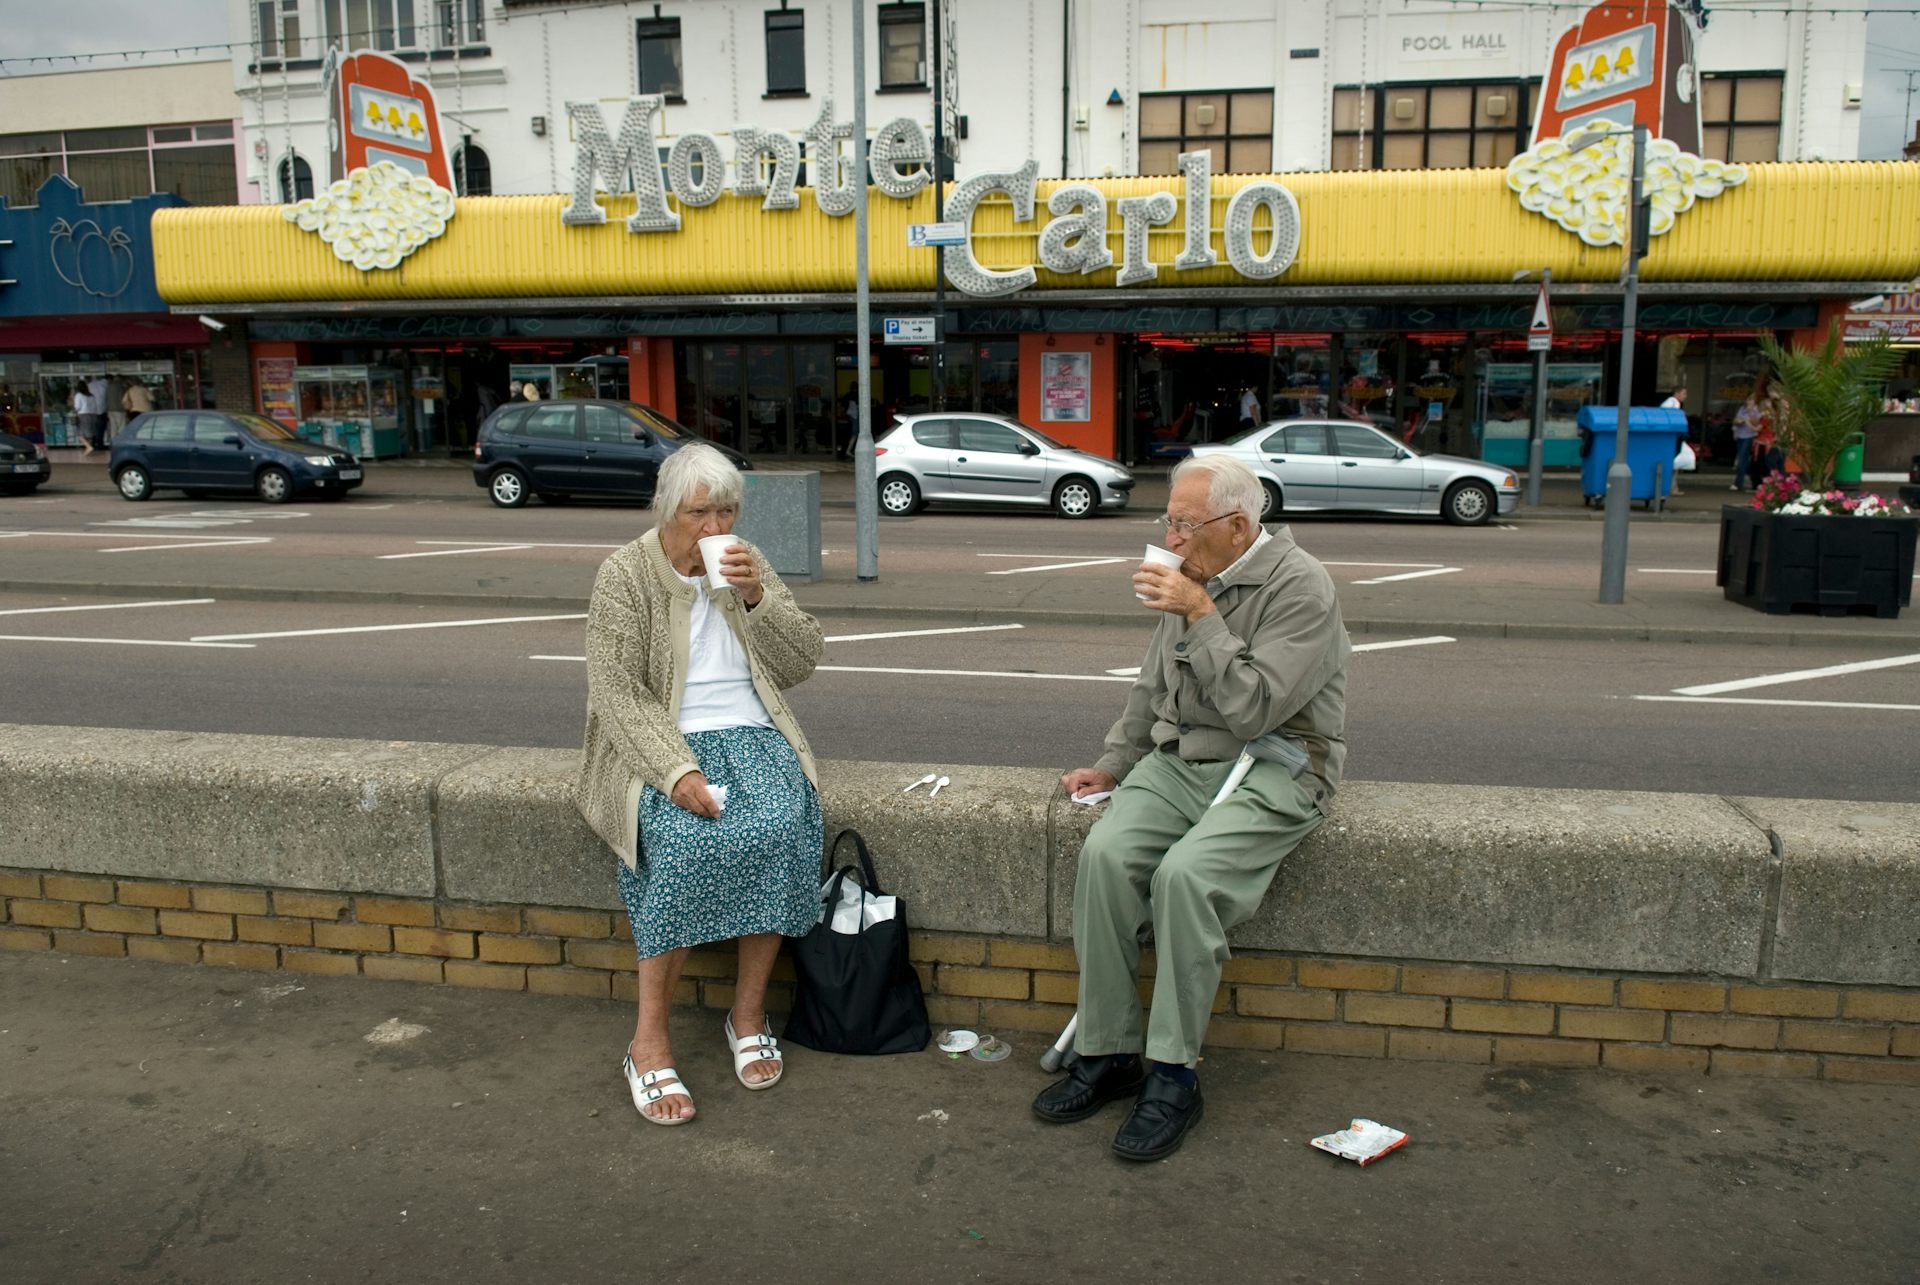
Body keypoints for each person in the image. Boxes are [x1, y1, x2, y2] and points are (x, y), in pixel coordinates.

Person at [1036, 453, 1349, 1162]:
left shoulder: (1301, 586)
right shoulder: (1194, 576)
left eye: (1185, 524)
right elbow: (1149, 693)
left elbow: (1256, 709)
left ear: (1238, 527)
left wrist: (1202, 614)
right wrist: (1111, 764)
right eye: (1168, 522)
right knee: (1106, 858)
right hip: (1184, 761)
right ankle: (1110, 1051)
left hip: (1279, 764)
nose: (1172, 539)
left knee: (1184, 877)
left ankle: (1173, 1074)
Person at [575, 443, 825, 1127]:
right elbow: (618, 693)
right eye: (699, 513)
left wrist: (754, 596)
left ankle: (747, 1015)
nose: (715, 527)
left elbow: (803, 658)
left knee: (781, 826)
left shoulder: (746, 562)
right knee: (683, 845)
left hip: (752, 735)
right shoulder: (624, 575)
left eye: (727, 510)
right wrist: (676, 768)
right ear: (667, 510)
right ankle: (648, 1042)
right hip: (662, 744)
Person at [1730, 388, 1764, 492]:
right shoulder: (1742, 409)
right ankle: (1739, 481)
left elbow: (1756, 423)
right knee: (1741, 458)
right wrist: (1739, 421)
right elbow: (1736, 420)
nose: (1749, 402)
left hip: (1750, 436)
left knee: (1742, 459)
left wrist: (1750, 414)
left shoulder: (1757, 411)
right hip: (1740, 435)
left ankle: (1739, 483)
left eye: (1751, 400)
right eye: (1748, 399)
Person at [70, 383, 102, 456]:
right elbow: (95, 406)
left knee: (80, 434)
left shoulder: (79, 395)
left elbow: (77, 407)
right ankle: (89, 451)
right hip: (93, 415)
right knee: (89, 435)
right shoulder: (91, 396)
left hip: (83, 415)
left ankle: (88, 447)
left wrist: (73, 410)